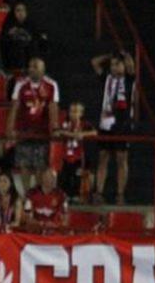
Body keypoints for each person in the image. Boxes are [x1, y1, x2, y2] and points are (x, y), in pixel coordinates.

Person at [7, 57, 60, 191]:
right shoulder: (21, 84)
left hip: (42, 132)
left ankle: (36, 192)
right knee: (24, 165)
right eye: (30, 66)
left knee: (39, 166)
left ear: (43, 69)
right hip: (24, 130)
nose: (31, 69)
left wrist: (54, 128)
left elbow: (53, 108)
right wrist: (10, 129)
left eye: (35, 67)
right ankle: (26, 193)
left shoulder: (51, 85)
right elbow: (14, 107)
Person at [91, 52, 135, 204]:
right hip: (105, 123)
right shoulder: (107, 78)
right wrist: (108, 56)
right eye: (112, 65)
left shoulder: (129, 79)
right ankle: (98, 192)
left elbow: (131, 65)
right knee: (103, 158)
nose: (114, 67)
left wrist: (125, 55)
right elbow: (95, 62)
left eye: (117, 64)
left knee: (121, 159)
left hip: (122, 124)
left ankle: (120, 194)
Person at [54, 101, 96, 201]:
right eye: (72, 111)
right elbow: (56, 131)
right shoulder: (64, 123)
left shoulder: (84, 124)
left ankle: (78, 196)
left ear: (81, 113)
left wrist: (83, 134)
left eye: (77, 111)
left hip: (78, 157)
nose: (74, 114)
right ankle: (65, 196)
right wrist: (70, 134)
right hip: (65, 156)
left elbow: (94, 132)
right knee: (65, 177)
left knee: (78, 177)